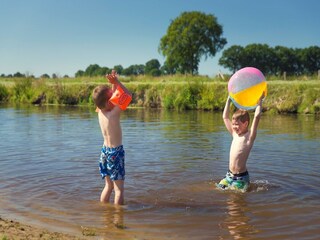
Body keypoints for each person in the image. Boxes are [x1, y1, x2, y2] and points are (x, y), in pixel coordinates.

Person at [92, 70, 132, 205]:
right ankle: (118, 219)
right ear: (109, 102)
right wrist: (118, 83)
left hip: (104, 152)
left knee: (108, 186)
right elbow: (128, 95)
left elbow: (110, 98)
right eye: (112, 95)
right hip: (116, 153)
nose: (115, 95)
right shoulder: (114, 113)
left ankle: (104, 212)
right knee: (119, 189)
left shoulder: (99, 111)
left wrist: (113, 84)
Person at [217, 94, 263, 191]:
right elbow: (225, 117)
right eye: (233, 124)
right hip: (229, 176)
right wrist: (228, 100)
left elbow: (257, 117)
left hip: (241, 177)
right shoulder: (235, 134)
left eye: (236, 125)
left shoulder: (249, 137)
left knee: (235, 199)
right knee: (218, 189)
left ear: (245, 124)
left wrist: (260, 102)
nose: (234, 127)